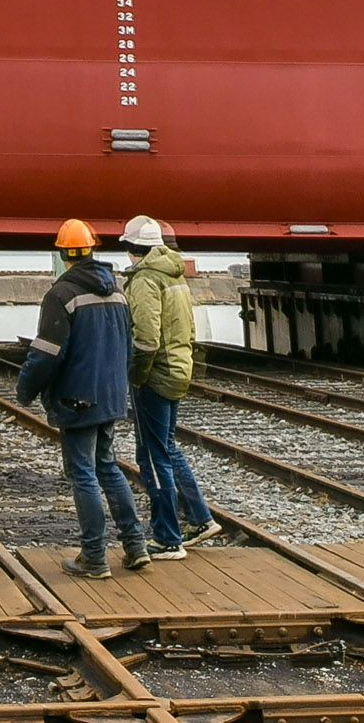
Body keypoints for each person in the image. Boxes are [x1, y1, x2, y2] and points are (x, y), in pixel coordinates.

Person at [11, 218, 148, 579]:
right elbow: (127, 350)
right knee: (109, 467)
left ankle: (94, 558)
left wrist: (25, 390)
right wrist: (119, 388)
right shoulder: (117, 292)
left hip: (77, 399)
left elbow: (45, 354)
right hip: (111, 396)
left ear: (63, 253)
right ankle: (136, 547)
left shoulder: (62, 295)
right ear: (91, 249)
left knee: (84, 474)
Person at [118, 215, 218, 557]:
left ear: (133, 248)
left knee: (151, 454)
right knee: (168, 448)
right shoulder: (174, 274)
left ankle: (166, 538)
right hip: (178, 368)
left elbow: (145, 339)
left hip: (156, 375)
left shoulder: (146, 280)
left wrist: (136, 375)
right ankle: (201, 518)